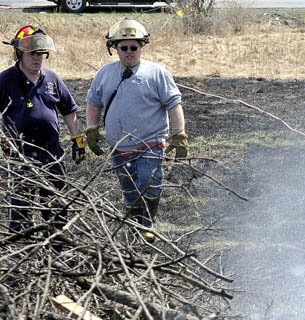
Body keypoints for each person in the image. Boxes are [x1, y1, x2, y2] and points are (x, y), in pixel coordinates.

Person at [85, 18, 187, 240]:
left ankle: (148, 223)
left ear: (141, 47)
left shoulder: (157, 72)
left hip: (150, 141)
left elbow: (173, 103)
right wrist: (91, 129)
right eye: (124, 47)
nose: (129, 52)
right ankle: (134, 223)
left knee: (149, 180)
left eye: (134, 47)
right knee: (129, 186)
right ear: (116, 48)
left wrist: (179, 134)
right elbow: (94, 102)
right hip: (120, 145)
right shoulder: (104, 74)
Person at [0, 25, 84, 233]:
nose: (37, 59)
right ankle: (23, 250)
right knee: (21, 205)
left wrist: (77, 140)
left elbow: (68, 110)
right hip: (20, 154)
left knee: (55, 206)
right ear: (19, 53)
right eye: (32, 54)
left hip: (51, 153)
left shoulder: (52, 79)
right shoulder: (5, 80)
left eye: (41, 54)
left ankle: (56, 247)